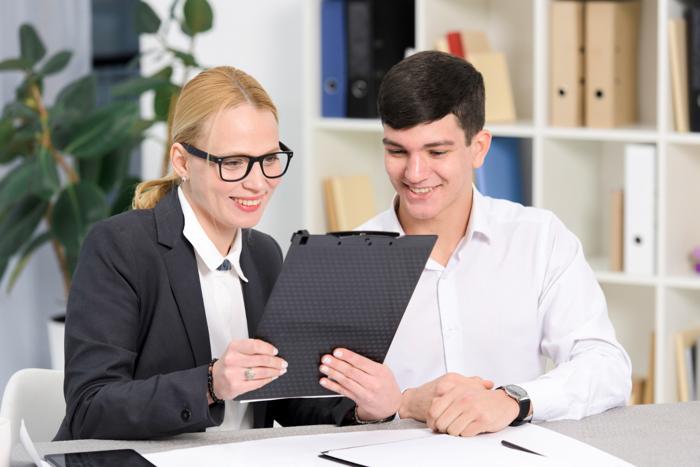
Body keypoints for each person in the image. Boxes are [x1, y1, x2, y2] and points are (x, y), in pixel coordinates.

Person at [317, 51, 632, 435]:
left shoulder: (539, 238)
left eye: (437, 152)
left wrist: (512, 400)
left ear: (479, 147)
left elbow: (607, 366)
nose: (415, 173)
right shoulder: (346, 261)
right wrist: (399, 404)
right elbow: (318, 406)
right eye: (397, 151)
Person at [55, 66, 352, 440]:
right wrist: (210, 384)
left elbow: (283, 397)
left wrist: (366, 407)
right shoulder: (120, 248)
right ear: (182, 161)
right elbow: (89, 408)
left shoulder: (264, 255)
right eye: (233, 163)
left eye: (270, 159)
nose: (258, 182)